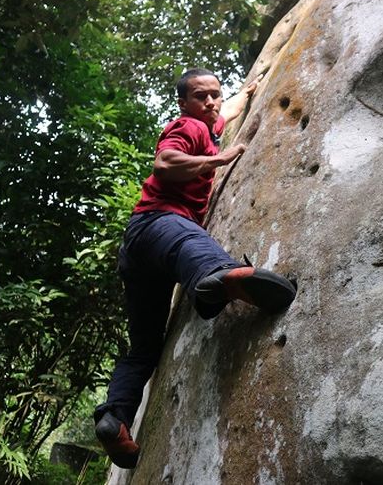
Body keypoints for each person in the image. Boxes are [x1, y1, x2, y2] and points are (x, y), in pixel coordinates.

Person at [93, 68, 297, 468]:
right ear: (184, 103)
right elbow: (165, 163)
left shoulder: (210, 120)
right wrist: (217, 159)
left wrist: (246, 92)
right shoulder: (187, 126)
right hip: (157, 224)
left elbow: (229, 110)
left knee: (144, 349)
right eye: (201, 97)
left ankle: (113, 418)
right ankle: (218, 279)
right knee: (190, 239)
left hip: (140, 258)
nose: (210, 103)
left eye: (215, 95)